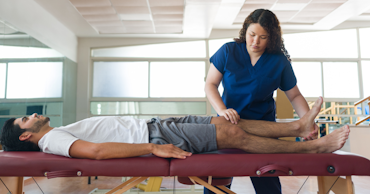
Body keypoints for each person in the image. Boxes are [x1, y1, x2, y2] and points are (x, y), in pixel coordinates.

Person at [0, 97, 350, 160]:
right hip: (153, 137)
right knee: (233, 136)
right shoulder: (53, 141)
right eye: (25, 121)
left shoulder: (54, 132)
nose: (30, 115)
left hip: (154, 124)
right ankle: (312, 147)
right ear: (26, 135)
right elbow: (97, 151)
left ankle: (299, 125)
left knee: (232, 122)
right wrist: (152, 147)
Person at [204, 9, 317, 194]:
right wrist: (222, 110)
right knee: (216, 184)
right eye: (252, 34)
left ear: (271, 38)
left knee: (268, 186)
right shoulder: (228, 51)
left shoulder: (278, 61)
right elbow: (210, 84)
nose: (255, 41)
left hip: (263, 129)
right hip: (229, 125)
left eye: (263, 37)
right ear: (245, 31)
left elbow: (294, 95)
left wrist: (308, 121)